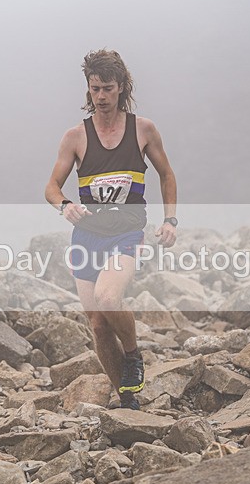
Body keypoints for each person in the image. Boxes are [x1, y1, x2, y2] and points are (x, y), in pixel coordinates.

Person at [44, 49, 178, 410]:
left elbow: (167, 175)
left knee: (107, 298)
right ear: (88, 90)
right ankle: (127, 398)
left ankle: (133, 355)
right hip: (87, 238)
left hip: (126, 234)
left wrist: (170, 220)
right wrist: (65, 205)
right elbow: (51, 187)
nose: (101, 96)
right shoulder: (75, 137)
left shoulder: (143, 130)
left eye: (107, 88)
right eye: (95, 89)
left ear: (121, 87)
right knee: (99, 325)